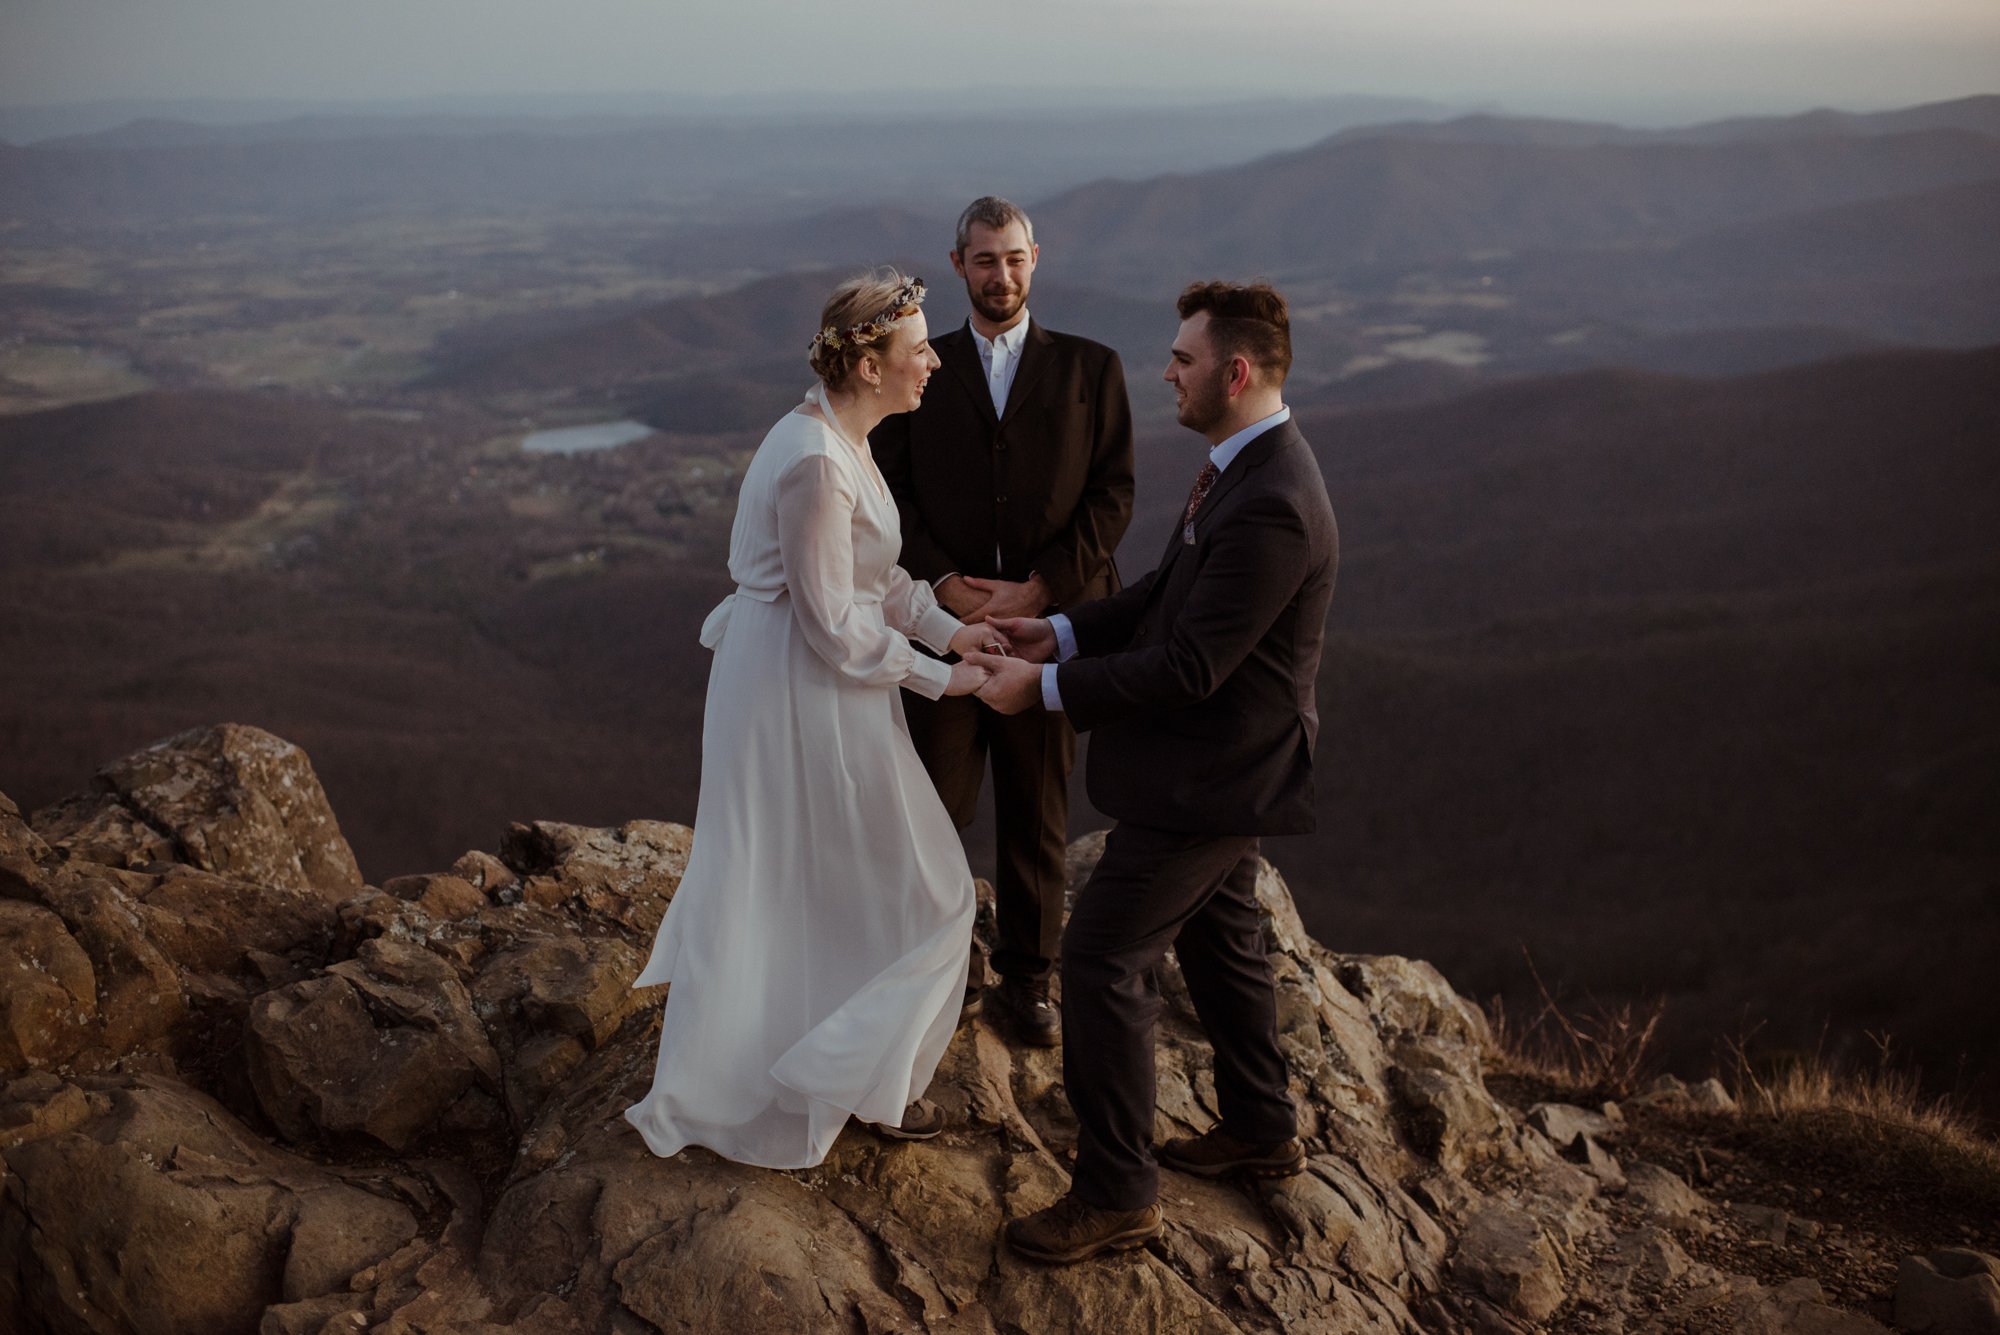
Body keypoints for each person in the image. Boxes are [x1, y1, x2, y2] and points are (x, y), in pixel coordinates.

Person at [968, 282, 1339, 1263]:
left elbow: (1189, 667)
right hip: (1216, 770)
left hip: (1214, 776)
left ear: (1236, 371)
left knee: (1096, 960)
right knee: (1222, 940)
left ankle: (1117, 1192)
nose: (1165, 373)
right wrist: (1048, 633)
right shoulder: (1237, 472)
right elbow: (1160, 601)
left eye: (1181, 358)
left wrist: (1039, 693)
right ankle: (1261, 1127)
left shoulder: (1272, 505)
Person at [625, 269, 994, 1168]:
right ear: (868, 366)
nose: (935, 362)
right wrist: (948, 682)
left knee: (843, 875)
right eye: (917, 351)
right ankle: (834, 1073)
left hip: (814, 678)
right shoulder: (816, 464)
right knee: (922, 884)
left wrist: (959, 633)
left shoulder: (844, 441)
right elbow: (834, 624)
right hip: (799, 686)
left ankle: (852, 1070)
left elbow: (880, 582)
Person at [871, 197, 1134, 1047]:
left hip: (1045, 631)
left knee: (1036, 811)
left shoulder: (1092, 369)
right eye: (984, 259)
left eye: (1015, 257)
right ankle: (925, 982)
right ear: (958, 266)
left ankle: (1028, 981)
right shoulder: (921, 369)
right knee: (933, 809)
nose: (1002, 274)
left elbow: (1113, 493)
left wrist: (1040, 589)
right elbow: (888, 492)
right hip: (941, 633)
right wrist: (942, 583)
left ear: (1036, 259)